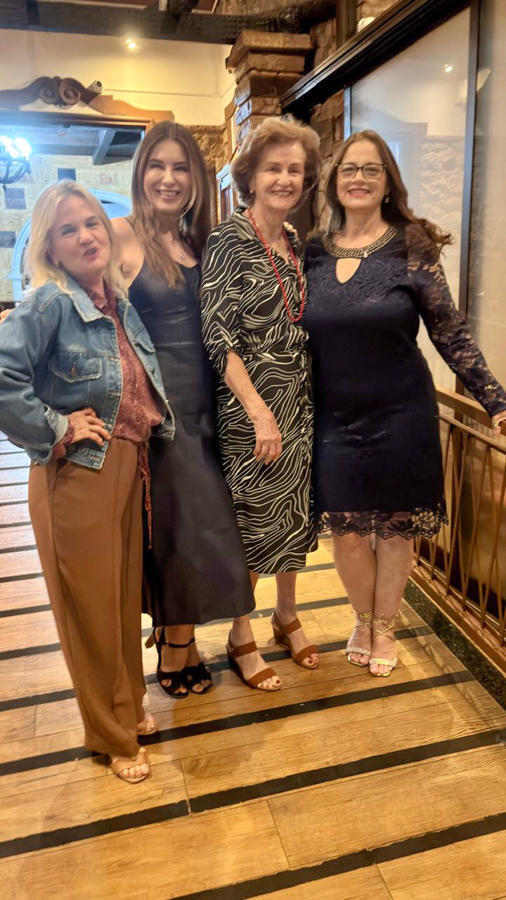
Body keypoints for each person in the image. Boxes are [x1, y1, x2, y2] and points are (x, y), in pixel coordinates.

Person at [304, 130, 506, 676]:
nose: (359, 178)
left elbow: (449, 331)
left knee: (394, 531)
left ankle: (384, 627)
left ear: (388, 181)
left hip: (401, 414)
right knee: (347, 533)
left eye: (371, 169)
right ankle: (362, 617)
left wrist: (494, 399)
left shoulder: (411, 244)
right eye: (349, 169)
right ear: (335, 181)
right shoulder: (313, 250)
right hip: (333, 418)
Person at [0, 181, 174, 782]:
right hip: (77, 474)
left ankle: (128, 706)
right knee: (90, 612)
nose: (85, 236)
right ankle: (110, 734)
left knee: (119, 601)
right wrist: (57, 426)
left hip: (125, 463)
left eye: (92, 223)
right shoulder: (50, 302)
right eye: (67, 230)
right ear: (50, 247)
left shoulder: (112, 300)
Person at [111, 122, 278, 694]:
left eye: (181, 168)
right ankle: (176, 646)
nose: (169, 178)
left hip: (214, 404)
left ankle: (178, 637)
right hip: (162, 412)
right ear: (140, 172)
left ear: (197, 180)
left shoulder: (199, 241)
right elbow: (73, 303)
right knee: (184, 527)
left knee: (195, 529)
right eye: (157, 165)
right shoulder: (118, 234)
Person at [200, 115, 322, 687]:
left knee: (294, 515)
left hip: (299, 403)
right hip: (253, 409)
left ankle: (286, 615)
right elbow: (217, 336)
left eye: (295, 169)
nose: (284, 179)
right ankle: (239, 631)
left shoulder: (293, 241)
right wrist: (259, 411)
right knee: (251, 524)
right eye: (274, 168)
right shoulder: (228, 239)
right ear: (250, 175)